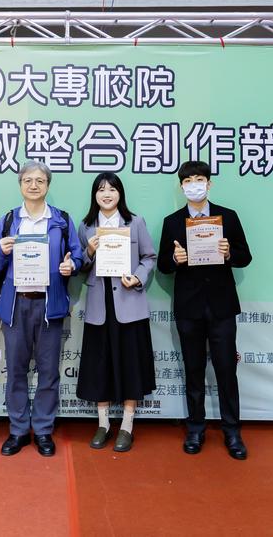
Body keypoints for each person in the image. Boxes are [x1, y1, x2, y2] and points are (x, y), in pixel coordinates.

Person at [157, 160, 252, 460]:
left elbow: (245, 256)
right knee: (194, 370)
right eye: (188, 181)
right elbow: (162, 265)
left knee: (226, 370)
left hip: (222, 306)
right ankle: (195, 429)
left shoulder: (228, 216)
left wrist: (229, 253)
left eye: (199, 180)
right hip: (189, 308)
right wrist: (176, 259)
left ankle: (232, 431)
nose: (194, 185)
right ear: (181, 187)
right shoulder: (172, 222)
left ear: (209, 184)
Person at [0, 160, 83, 457]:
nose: (33, 185)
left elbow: (78, 257)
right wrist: (2, 252)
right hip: (16, 304)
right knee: (16, 370)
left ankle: (43, 430)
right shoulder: (8, 220)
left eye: (40, 181)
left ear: (47, 186)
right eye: (28, 180)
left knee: (48, 371)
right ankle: (18, 430)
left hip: (49, 304)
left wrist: (71, 266)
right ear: (20, 185)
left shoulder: (62, 220)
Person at [76, 172, 157, 453]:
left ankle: (126, 425)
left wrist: (138, 277)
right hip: (99, 305)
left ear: (120, 193)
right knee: (100, 365)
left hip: (128, 302)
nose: (107, 194)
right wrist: (88, 251)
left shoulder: (135, 222)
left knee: (130, 364)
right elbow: (81, 266)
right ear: (94, 195)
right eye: (101, 189)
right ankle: (103, 424)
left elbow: (149, 257)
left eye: (112, 189)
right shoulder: (86, 226)